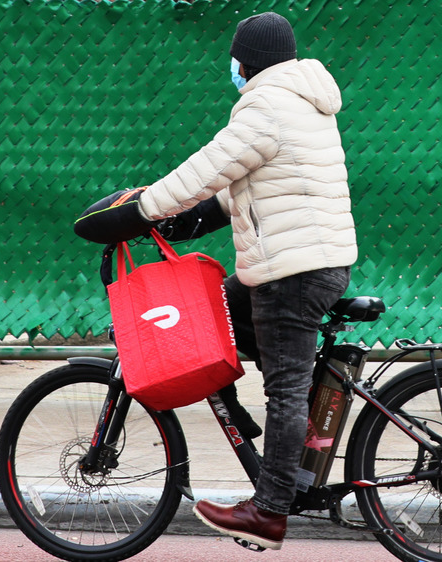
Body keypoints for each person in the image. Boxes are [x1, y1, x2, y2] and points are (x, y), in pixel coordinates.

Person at [74, 11, 357, 551]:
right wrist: (192, 218)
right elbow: (249, 182)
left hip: (292, 273)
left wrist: (142, 210)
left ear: (246, 61)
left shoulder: (266, 105)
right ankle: (259, 440)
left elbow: (206, 168)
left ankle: (270, 511)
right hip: (306, 263)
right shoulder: (302, 100)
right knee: (210, 320)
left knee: (286, 388)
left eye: (236, 60)